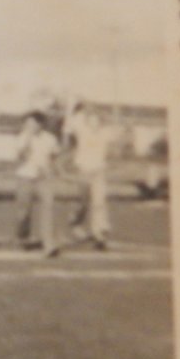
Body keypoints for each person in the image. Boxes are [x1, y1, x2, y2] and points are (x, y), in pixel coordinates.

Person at [64, 101, 113, 250]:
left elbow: (120, 134)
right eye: (91, 120)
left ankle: (99, 234)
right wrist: (72, 105)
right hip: (84, 170)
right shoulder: (82, 130)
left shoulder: (105, 133)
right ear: (87, 121)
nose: (95, 123)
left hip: (99, 171)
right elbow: (69, 124)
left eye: (97, 120)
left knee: (99, 202)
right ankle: (75, 222)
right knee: (83, 202)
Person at [14, 110, 61, 257]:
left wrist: (51, 169)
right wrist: (28, 139)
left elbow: (55, 156)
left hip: (44, 178)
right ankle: (22, 236)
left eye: (34, 123)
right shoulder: (21, 137)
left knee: (48, 210)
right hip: (25, 177)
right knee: (23, 213)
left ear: (41, 124)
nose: (30, 126)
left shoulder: (50, 139)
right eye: (27, 123)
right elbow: (21, 156)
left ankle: (49, 245)